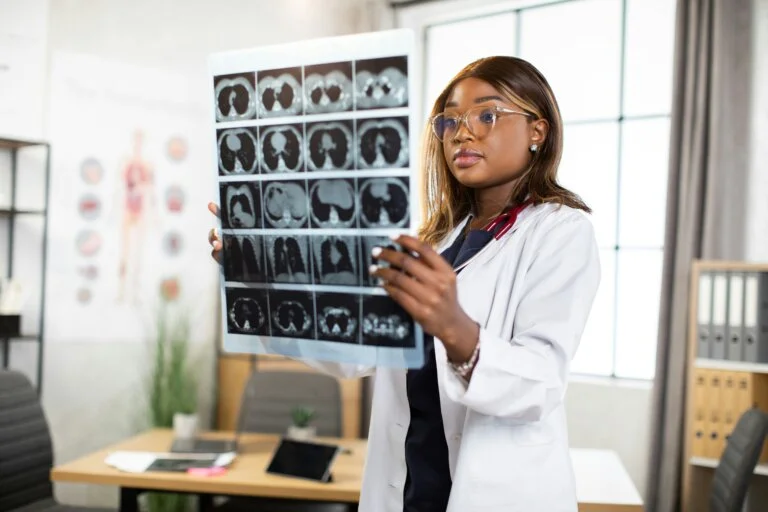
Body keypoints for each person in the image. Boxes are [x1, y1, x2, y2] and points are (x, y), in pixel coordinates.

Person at [207, 56, 600, 511]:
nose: (463, 132)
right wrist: (261, 283)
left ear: (538, 131)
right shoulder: (432, 242)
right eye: (449, 121)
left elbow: (542, 382)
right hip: (409, 495)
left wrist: (456, 329)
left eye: (487, 115)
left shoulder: (561, 232)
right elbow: (353, 352)